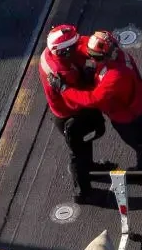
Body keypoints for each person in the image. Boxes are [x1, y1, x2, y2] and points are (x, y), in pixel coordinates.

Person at [54, 30, 142, 202]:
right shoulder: (118, 57)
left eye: (95, 57)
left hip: (130, 119)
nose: (92, 59)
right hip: (137, 110)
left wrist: (64, 89)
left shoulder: (115, 76)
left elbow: (92, 99)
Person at [38, 24, 104, 202]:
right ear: (64, 52)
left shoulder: (48, 54)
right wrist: (90, 78)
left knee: (85, 143)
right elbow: (78, 96)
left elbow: (81, 45)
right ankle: (82, 192)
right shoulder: (64, 73)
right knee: (78, 153)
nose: (77, 46)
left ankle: (90, 168)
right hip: (71, 116)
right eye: (73, 46)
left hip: (65, 112)